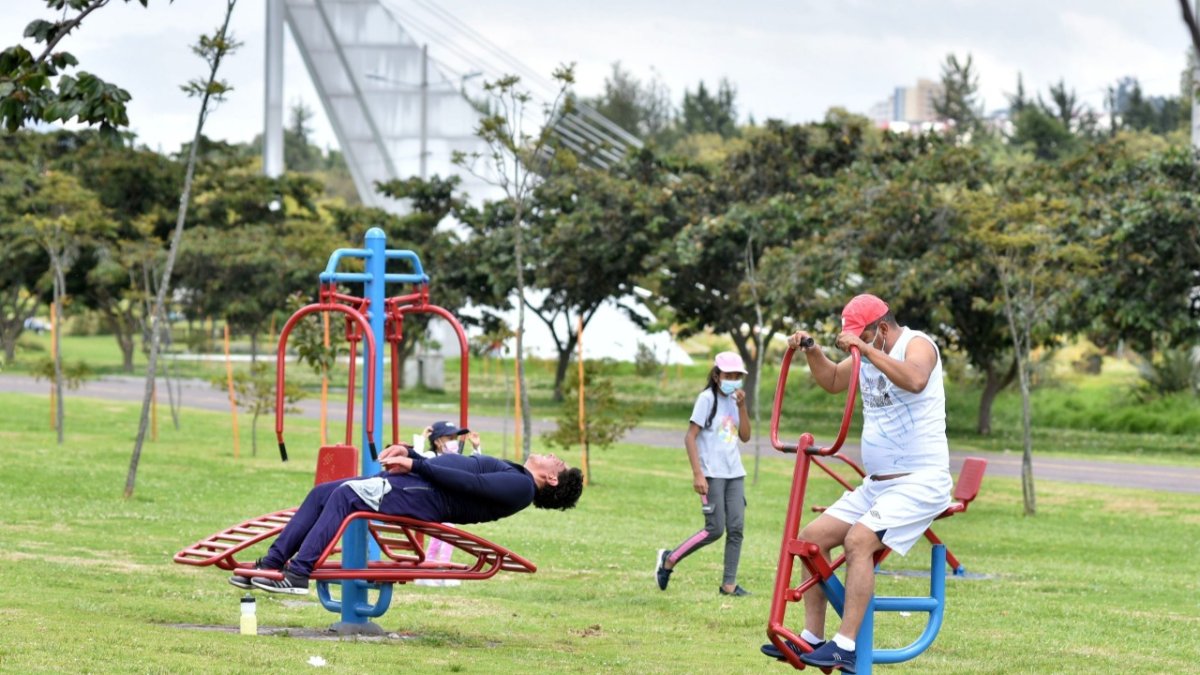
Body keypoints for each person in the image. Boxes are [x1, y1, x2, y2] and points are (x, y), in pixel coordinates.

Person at [761, 293, 951, 673]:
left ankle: (845, 645)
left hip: (921, 481)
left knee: (859, 540)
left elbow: (915, 379)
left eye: (862, 337)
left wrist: (865, 349)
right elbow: (833, 379)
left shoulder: (918, 344)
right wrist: (812, 350)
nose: (856, 346)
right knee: (810, 538)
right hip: (878, 484)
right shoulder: (867, 353)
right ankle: (812, 637)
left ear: (881, 328)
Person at [231, 447, 583, 595]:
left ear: (551, 479)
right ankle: (273, 564)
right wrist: (411, 453)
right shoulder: (517, 472)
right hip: (417, 484)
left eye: (559, 463)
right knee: (322, 492)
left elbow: (469, 483)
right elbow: (457, 465)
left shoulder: (521, 487)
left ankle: (297, 574)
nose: (553, 457)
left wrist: (416, 465)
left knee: (345, 496)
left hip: (422, 494)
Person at [654, 351, 753, 597]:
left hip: (734, 473)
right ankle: (669, 558)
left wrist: (742, 407)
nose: (733, 379)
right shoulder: (706, 399)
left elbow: (746, 436)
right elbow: (690, 437)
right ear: (717, 375)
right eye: (728, 375)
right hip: (711, 473)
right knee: (715, 528)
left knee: (736, 528)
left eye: (737, 375)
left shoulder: (735, 400)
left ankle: (728, 584)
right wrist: (698, 474)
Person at [412, 421, 482, 587]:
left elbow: (476, 467)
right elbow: (414, 458)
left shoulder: (456, 459)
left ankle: (427, 572)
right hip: (432, 505)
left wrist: (476, 448)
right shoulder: (430, 457)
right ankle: (442, 571)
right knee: (449, 534)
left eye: (455, 438)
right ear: (437, 441)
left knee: (439, 539)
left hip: (446, 507)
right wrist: (421, 439)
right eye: (449, 437)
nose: (454, 441)